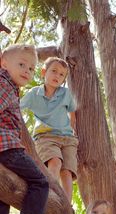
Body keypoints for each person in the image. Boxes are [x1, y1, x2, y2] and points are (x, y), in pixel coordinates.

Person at [0, 44, 54, 214]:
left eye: (31, 69)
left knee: (3, 189)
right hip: (7, 146)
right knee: (41, 182)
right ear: (4, 63)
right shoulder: (4, 85)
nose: (27, 71)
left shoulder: (9, 85)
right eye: (21, 65)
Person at [20, 57, 78, 203]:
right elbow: (17, 107)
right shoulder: (34, 93)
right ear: (43, 72)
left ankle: (66, 205)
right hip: (46, 137)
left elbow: (72, 112)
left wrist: (72, 129)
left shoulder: (65, 93)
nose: (57, 76)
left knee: (67, 171)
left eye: (61, 75)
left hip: (67, 138)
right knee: (55, 162)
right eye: (54, 71)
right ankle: (49, 197)